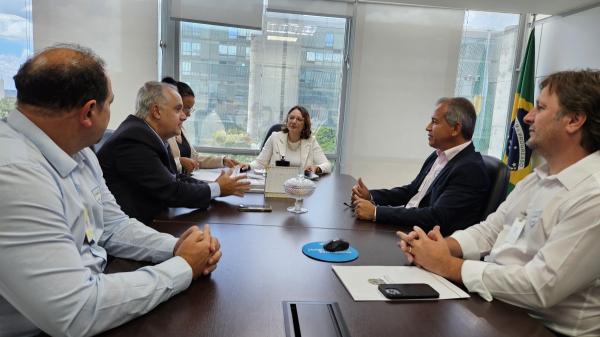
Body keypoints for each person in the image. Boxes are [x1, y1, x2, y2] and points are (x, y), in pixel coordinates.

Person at [0, 44, 222, 336]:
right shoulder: (15, 174)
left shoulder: (79, 152)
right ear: (89, 111)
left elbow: (112, 226)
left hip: (97, 291)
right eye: (111, 103)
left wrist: (175, 247)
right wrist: (183, 267)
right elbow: (76, 311)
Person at [398, 70, 600, 337]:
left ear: (574, 120)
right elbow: (491, 229)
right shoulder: (536, 179)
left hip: (542, 328)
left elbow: (540, 287)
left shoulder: (593, 195)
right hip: (496, 307)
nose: (527, 116)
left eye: (539, 107)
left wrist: (448, 265)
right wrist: (440, 247)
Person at [98, 81, 250, 224]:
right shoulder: (134, 139)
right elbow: (171, 191)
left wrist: (215, 187)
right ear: (156, 111)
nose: (184, 116)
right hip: (133, 232)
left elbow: (176, 178)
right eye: (178, 109)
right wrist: (217, 188)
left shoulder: (151, 135)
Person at [352, 97, 490, 236]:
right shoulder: (438, 155)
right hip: (410, 229)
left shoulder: (470, 169)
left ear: (455, 128)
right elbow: (412, 192)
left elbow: (437, 218)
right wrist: (371, 196)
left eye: (434, 122)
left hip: (427, 241)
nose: (427, 127)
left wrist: (376, 212)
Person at [161, 77, 239, 173]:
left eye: (190, 109)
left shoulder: (180, 129)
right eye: (185, 108)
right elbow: (160, 165)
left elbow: (195, 158)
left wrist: (222, 160)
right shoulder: (163, 132)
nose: (188, 114)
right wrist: (179, 162)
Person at [249, 105, 332, 174]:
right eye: (291, 118)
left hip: (301, 186)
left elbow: (327, 165)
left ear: (305, 125)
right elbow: (260, 163)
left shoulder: (311, 141)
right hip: (276, 183)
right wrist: (248, 166)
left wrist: (317, 168)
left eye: (299, 119)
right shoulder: (275, 137)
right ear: (287, 120)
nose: (294, 121)